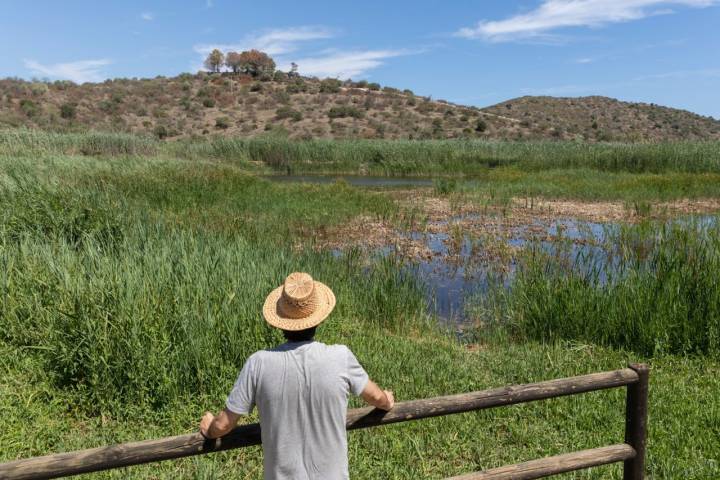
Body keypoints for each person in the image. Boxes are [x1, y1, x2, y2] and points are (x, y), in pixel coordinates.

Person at [199, 272, 395, 480]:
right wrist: (387, 400)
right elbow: (375, 397)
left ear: (281, 322)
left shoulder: (258, 363)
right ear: (317, 319)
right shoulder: (340, 356)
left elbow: (224, 425)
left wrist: (209, 429)